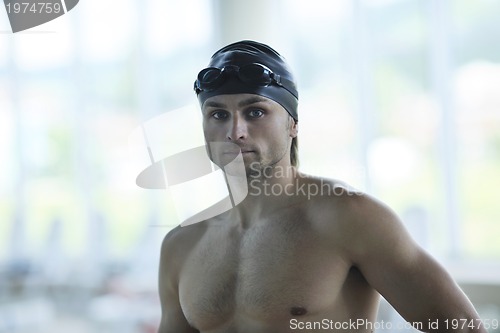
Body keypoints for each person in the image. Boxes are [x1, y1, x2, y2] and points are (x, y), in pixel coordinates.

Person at [157, 40, 487, 333]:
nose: (235, 131)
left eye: (255, 111)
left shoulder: (350, 218)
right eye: (218, 115)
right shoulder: (181, 245)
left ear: (293, 125)